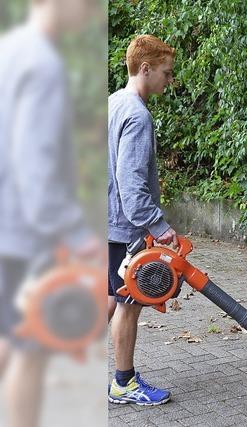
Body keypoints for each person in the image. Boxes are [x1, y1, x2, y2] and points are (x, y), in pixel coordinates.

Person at [0, 1, 101, 426]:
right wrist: (78, 236)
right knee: (29, 350)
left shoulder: (10, 48)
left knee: (9, 339)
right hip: (25, 233)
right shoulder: (43, 64)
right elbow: (36, 172)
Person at [107, 34, 178, 405]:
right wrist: (160, 228)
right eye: (166, 73)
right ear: (145, 69)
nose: (169, 80)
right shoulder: (137, 115)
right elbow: (132, 186)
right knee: (128, 304)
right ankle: (123, 383)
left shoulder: (112, 103)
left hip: (104, 222)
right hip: (123, 227)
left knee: (107, 297)